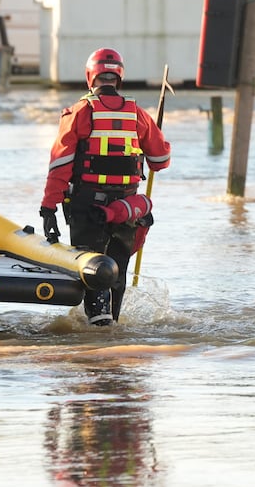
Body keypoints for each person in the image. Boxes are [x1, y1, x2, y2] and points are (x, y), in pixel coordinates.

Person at [40, 48, 170, 326]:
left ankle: (99, 331)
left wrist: (48, 208)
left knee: (93, 270)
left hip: (87, 207)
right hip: (126, 209)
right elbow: (160, 161)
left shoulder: (77, 113)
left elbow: (59, 167)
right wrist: (157, 136)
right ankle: (114, 330)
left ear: (90, 76)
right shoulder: (139, 115)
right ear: (119, 77)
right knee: (117, 269)